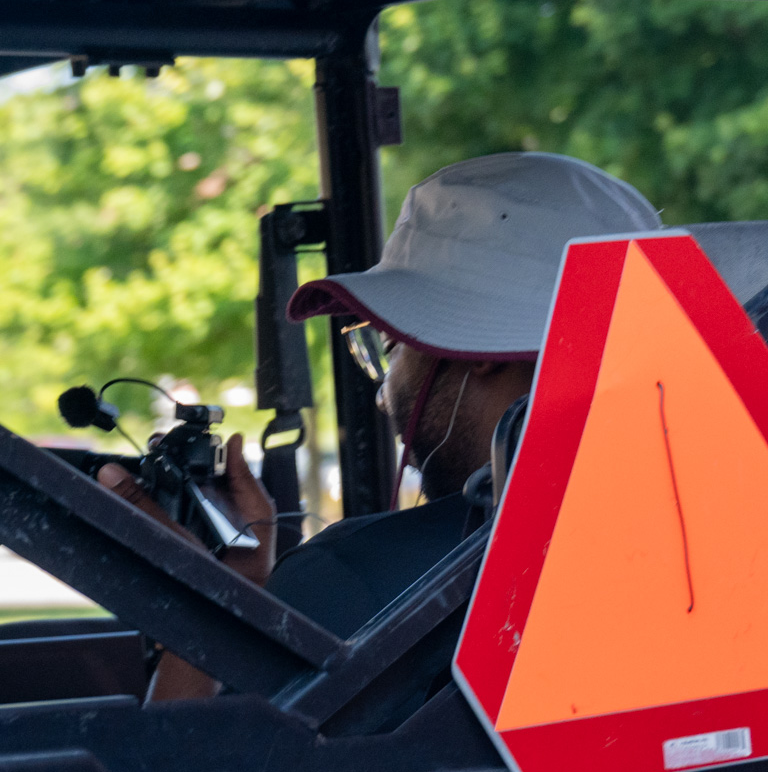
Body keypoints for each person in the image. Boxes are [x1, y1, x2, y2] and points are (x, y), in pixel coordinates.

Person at [98, 152, 662, 698]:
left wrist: (210, 608)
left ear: (474, 348)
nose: (383, 397)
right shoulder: (697, 540)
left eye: (389, 348)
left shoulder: (350, 579)